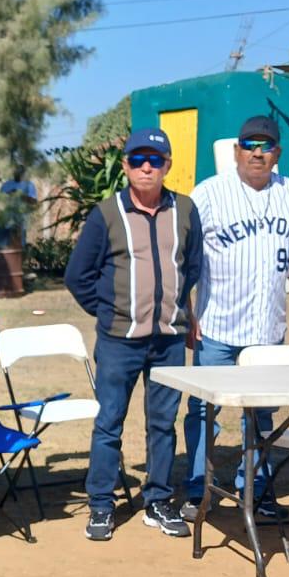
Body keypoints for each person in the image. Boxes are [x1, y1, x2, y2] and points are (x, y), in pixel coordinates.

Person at [65, 127, 203, 542]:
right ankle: (102, 506)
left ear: (168, 166)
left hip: (168, 340)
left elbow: (191, 267)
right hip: (119, 340)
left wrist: (179, 312)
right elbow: (78, 276)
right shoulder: (106, 213)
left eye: (155, 160)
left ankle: (158, 500)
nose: (147, 167)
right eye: (138, 160)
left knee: (163, 424)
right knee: (109, 422)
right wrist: (110, 311)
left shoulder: (185, 209)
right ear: (125, 166)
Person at [182, 115, 289, 521]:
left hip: (267, 328)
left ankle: (256, 486)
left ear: (278, 153)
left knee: (262, 412)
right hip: (217, 322)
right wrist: (187, 311)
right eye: (250, 144)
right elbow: (184, 256)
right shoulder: (208, 193)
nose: (258, 152)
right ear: (236, 150)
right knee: (204, 410)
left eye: (266, 145)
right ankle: (197, 489)